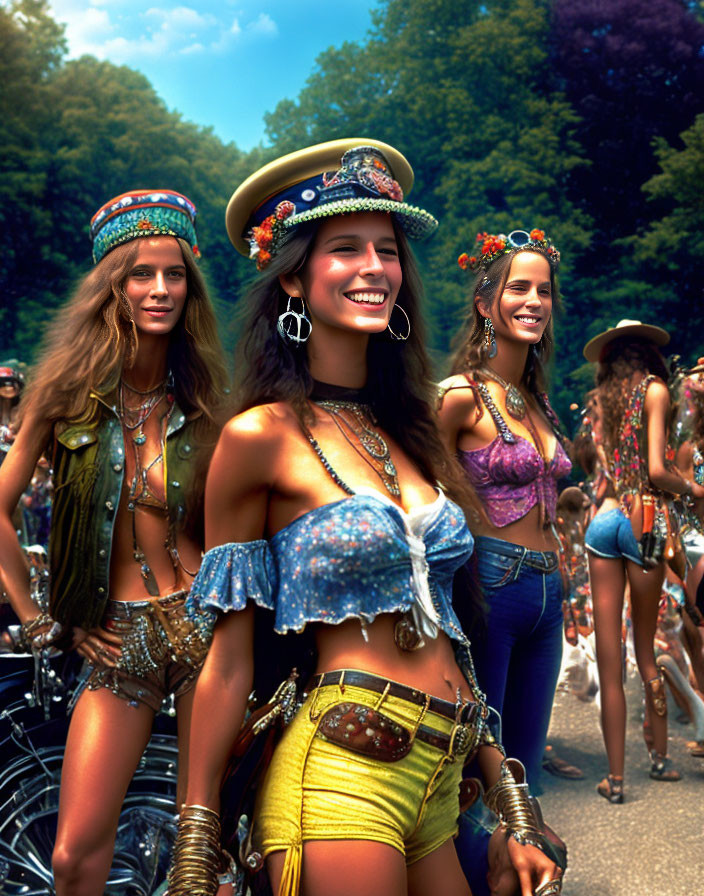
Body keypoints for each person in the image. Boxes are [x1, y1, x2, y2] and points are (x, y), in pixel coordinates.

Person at [168, 141, 563, 896]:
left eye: (387, 250)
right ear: (291, 274)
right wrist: (197, 847)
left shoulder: (408, 433)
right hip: (343, 770)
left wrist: (512, 803)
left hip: (442, 775)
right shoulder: (260, 439)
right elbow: (227, 660)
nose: (375, 268)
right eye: (345, 249)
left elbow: (452, 627)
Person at [0, 189, 228, 895]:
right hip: (115, 639)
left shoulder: (210, 399)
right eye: (140, 273)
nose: (160, 289)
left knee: (206, 853)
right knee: (74, 859)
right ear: (111, 287)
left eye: (175, 274)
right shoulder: (64, 393)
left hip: (207, 632)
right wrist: (41, 621)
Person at [437, 230, 571, 793]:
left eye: (544, 290)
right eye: (519, 287)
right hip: (491, 588)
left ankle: (524, 868)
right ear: (485, 301)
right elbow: (423, 507)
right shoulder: (457, 396)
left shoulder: (538, 403)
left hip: (549, 593)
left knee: (527, 771)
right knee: (479, 770)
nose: (534, 301)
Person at [581, 319, 704, 802]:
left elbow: (607, 473)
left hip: (605, 520)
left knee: (610, 657)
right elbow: (655, 470)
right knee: (645, 651)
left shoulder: (601, 400)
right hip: (645, 520)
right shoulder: (654, 391)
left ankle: (615, 778)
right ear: (647, 352)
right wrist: (693, 487)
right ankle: (657, 759)